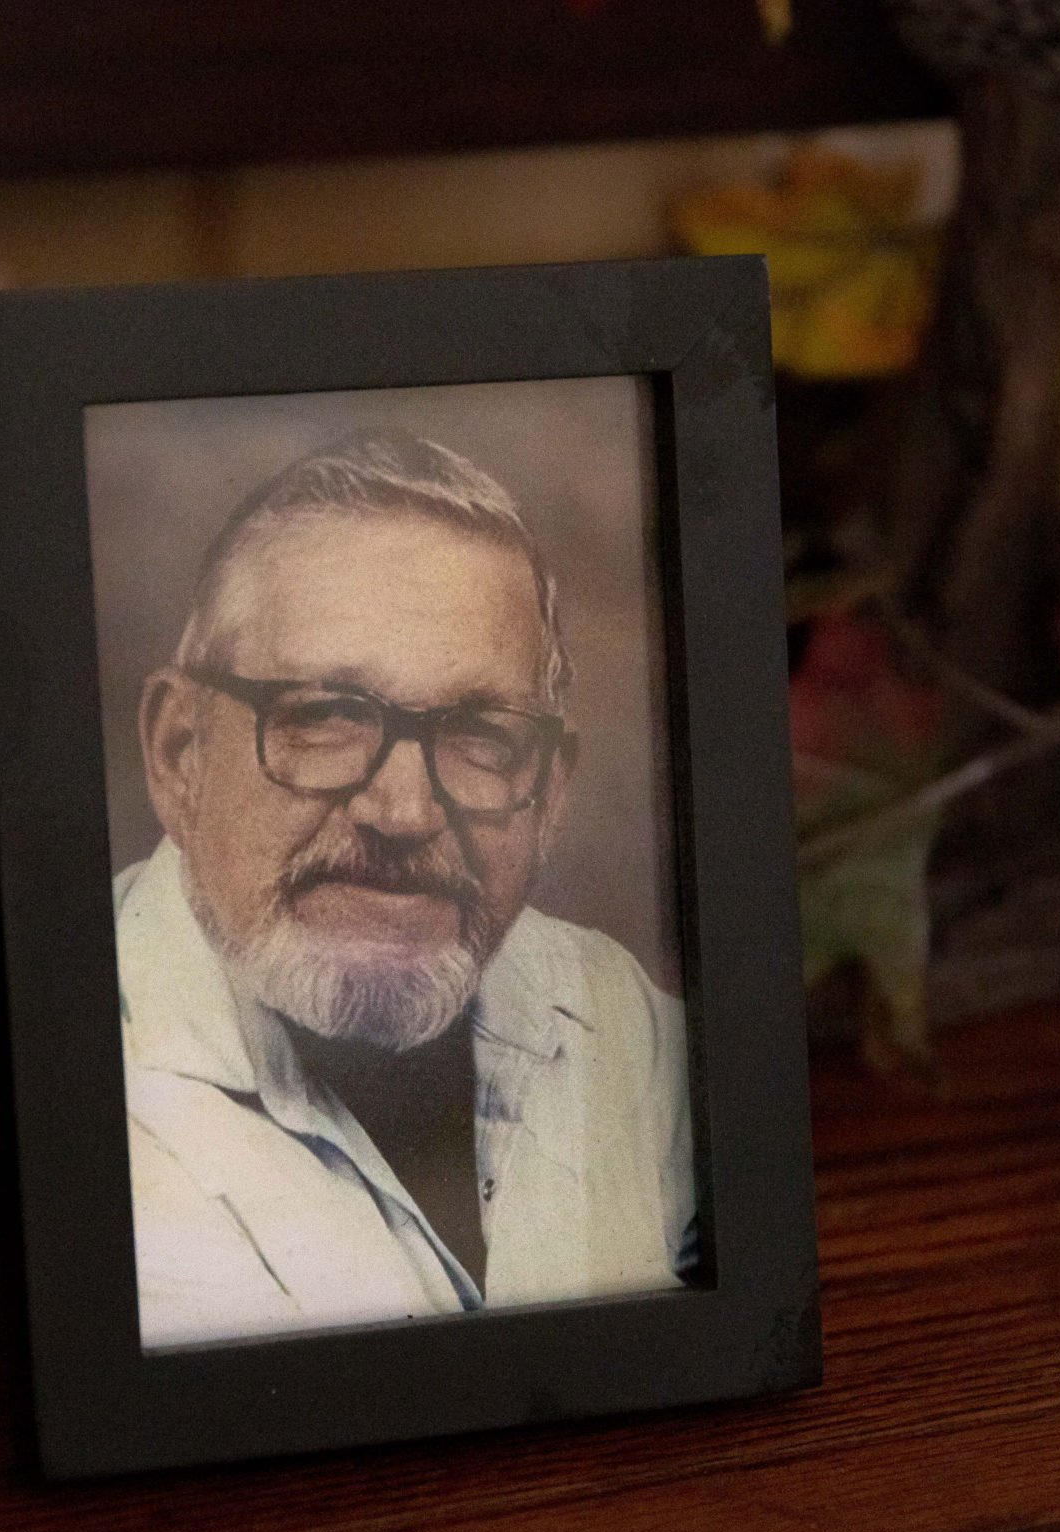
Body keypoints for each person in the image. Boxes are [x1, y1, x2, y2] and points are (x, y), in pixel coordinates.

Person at [116, 427, 693, 1350]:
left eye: (479, 734)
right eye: (327, 717)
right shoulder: (85, 1109)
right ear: (179, 750)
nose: (404, 809)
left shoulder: (624, 1025)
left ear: (548, 790)